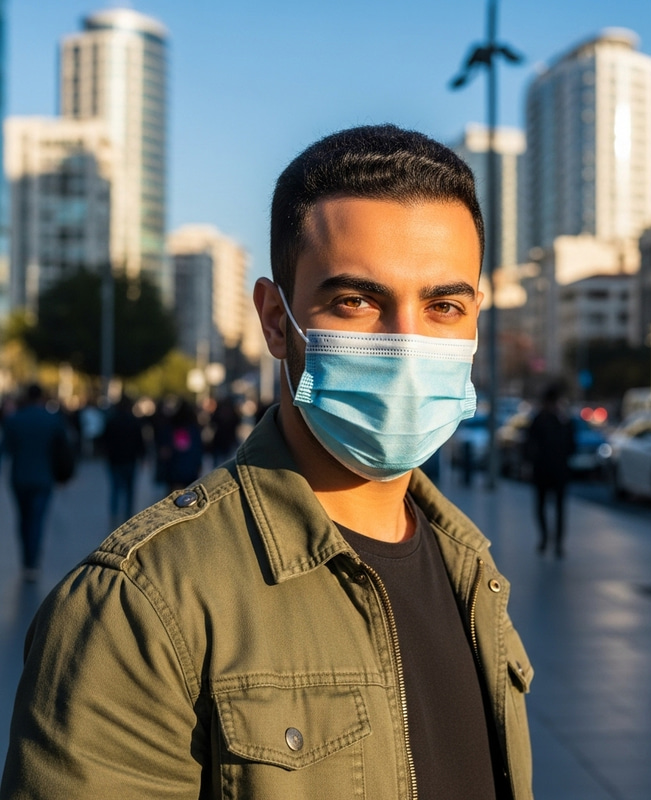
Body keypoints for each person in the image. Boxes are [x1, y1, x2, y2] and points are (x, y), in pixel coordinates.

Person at [1, 124, 534, 799]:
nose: (407, 342)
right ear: (276, 322)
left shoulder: (473, 572)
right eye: (356, 301)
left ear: (475, 320)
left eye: (443, 306)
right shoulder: (139, 609)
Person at [0, 384, 72, 582]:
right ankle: (33, 563)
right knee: (37, 519)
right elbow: (63, 449)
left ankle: (26, 560)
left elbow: (6, 449)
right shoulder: (52, 420)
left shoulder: (14, 420)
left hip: (19, 477)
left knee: (23, 519)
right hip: (43, 477)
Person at [523, 384, 576, 558]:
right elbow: (571, 446)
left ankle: (549, 540)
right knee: (555, 507)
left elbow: (529, 445)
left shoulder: (543, 419)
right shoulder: (561, 420)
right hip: (554, 470)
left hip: (546, 470)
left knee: (545, 506)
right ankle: (553, 541)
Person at [103, 394, 146, 526]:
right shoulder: (134, 421)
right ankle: (128, 516)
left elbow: (105, 441)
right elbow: (140, 442)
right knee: (129, 490)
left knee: (116, 489)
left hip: (115, 460)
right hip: (130, 460)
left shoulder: (112, 420)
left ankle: (114, 516)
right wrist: (142, 456)